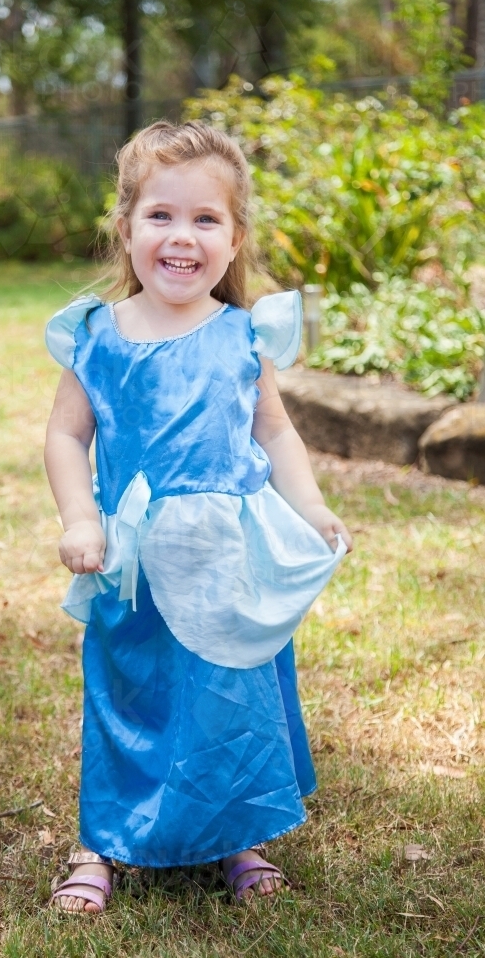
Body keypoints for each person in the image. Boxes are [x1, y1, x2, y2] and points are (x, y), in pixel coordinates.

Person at [43, 120, 352, 913]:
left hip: (225, 559)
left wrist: (308, 503)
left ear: (233, 237)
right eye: (161, 216)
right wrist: (81, 517)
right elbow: (66, 434)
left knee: (228, 695)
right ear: (126, 228)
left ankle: (234, 836)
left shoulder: (241, 335)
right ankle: (102, 842)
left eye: (204, 219)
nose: (182, 236)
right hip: (135, 560)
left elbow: (273, 429)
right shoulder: (100, 340)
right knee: (127, 693)